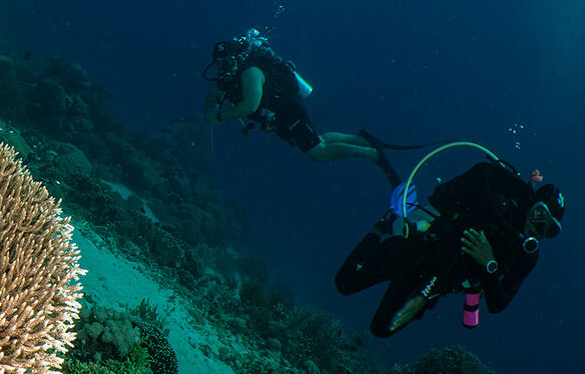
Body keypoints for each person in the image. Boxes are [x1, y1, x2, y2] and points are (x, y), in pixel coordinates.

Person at [335, 159, 564, 337]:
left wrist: (490, 265)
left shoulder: (526, 256)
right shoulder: (497, 207)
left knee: (382, 329)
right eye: (539, 215)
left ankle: (392, 241)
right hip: (417, 250)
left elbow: (498, 304)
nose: (538, 228)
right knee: (344, 284)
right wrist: (423, 296)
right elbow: (453, 241)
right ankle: (382, 225)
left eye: (549, 229)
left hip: (435, 282)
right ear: (531, 204)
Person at [203, 30, 399, 183]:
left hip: (287, 110)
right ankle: (364, 140)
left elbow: (250, 106)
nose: (224, 67)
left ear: (237, 58)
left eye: (228, 61)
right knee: (317, 139)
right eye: (220, 63)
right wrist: (211, 109)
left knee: (317, 152)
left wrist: (219, 117)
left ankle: (373, 154)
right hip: (278, 116)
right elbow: (213, 96)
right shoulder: (224, 79)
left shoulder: (250, 72)